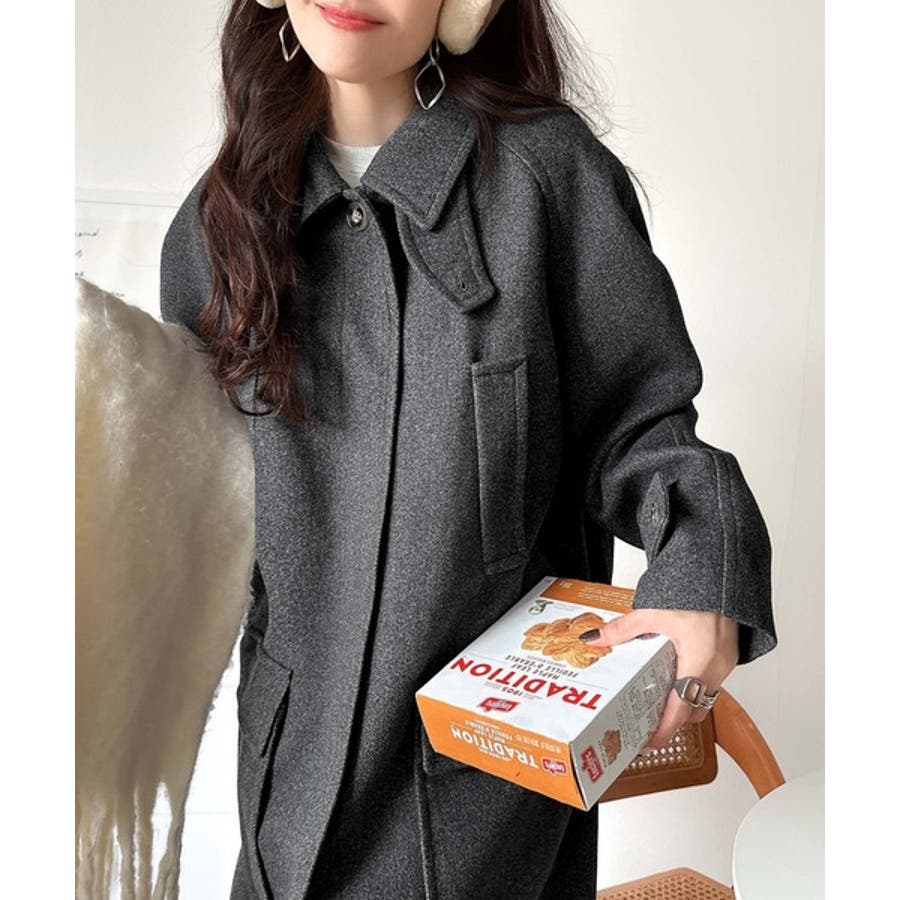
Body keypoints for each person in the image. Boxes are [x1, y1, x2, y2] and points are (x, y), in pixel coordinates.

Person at [159, 1, 778, 898]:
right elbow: (198, 511)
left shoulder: (546, 178)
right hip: (284, 792)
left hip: (480, 804)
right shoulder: (215, 228)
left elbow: (642, 426)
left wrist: (699, 568)